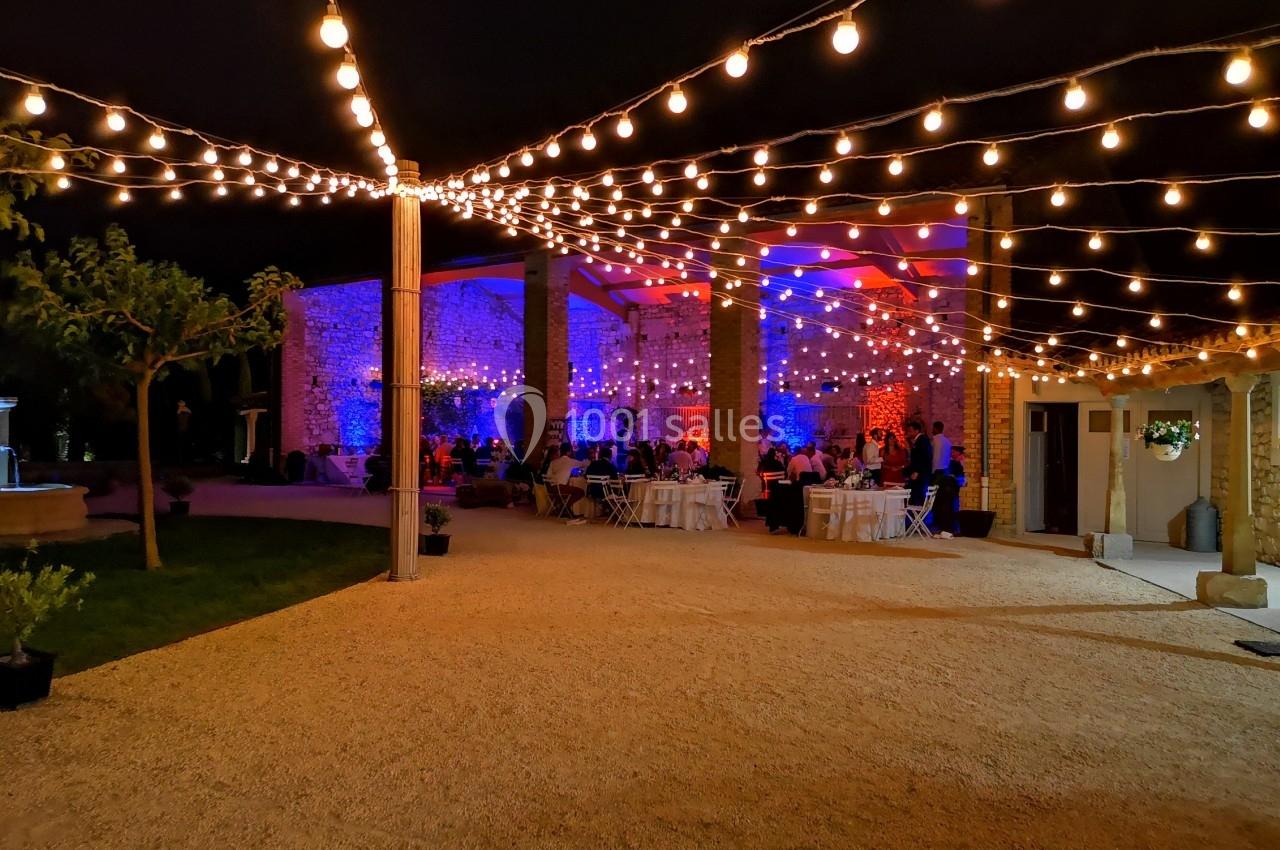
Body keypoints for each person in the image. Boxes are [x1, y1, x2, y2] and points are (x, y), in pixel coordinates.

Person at [546, 444, 587, 524]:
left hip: (550, 488)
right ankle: (564, 507)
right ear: (568, 452)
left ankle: (563, 507)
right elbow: (583, 464)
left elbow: (548, 475)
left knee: (570, 489)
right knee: (580, 492)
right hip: (560, 487)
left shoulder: (553, 462)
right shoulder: (570, 461)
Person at [905, 420, 934, 505]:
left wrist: (917, 471)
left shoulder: (922, 441)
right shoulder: (920, 440)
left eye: (910, 431)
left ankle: (918, 513)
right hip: (920, 472)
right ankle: (917, 513)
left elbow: (922, 457)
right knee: (916, 494)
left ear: (916, 430)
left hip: (920, 473)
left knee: (918, 494)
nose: (908, 433)